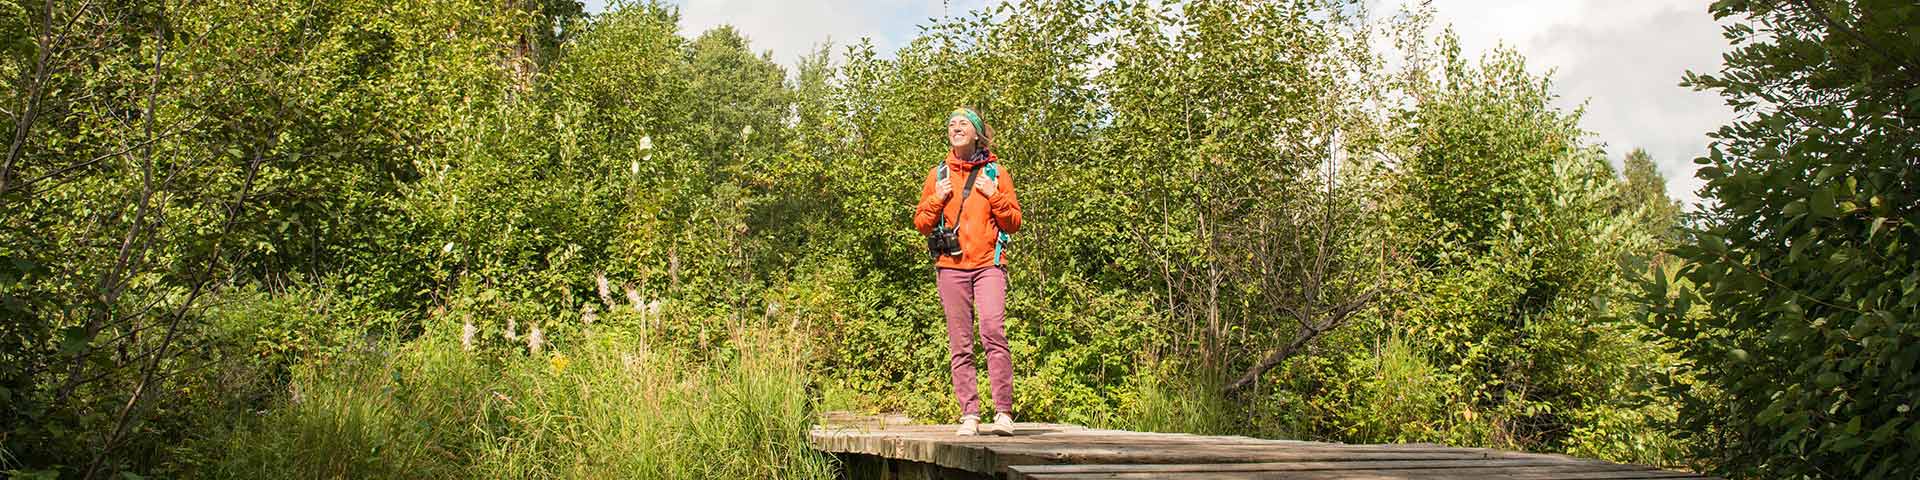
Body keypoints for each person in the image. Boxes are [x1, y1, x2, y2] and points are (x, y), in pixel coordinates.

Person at [913, 107, 1023, 436]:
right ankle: (970, 415)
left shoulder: (996, 173)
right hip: (951, 267)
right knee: (960, 342)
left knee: (993, 332)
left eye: (964, 123)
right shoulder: (939, 174)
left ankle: (1003, 413)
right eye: (951, 124)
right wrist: (937, 198)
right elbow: (921, 223)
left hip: (989, 264)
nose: (956, 127)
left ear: (976, 133)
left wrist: (996, 196)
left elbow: (1013, 223)